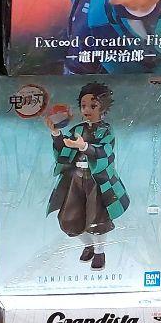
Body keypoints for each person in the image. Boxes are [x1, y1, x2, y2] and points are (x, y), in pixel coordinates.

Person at [45, 82, 129, 271]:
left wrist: (84, 146)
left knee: (97, 219)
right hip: (75, 178)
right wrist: (56, 134)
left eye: (93, 105)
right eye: (83, 106)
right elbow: (64, 153)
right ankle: (88, 245)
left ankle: (99, 252)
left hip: (97, 181)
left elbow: (106, 153)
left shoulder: (106, 130)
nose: (87, 110)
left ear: (103, 107)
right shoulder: (77, 129)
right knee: (68, 218)